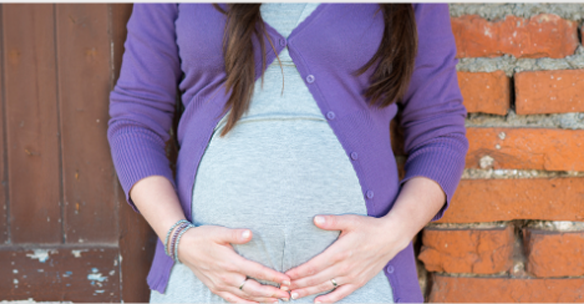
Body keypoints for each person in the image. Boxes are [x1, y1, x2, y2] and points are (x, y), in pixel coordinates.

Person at [107, 3, 468, 303]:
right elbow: (135, 121)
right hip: (205, 285)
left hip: (362, 285)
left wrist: (393, 233)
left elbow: (440, 131)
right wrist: (179, 239)